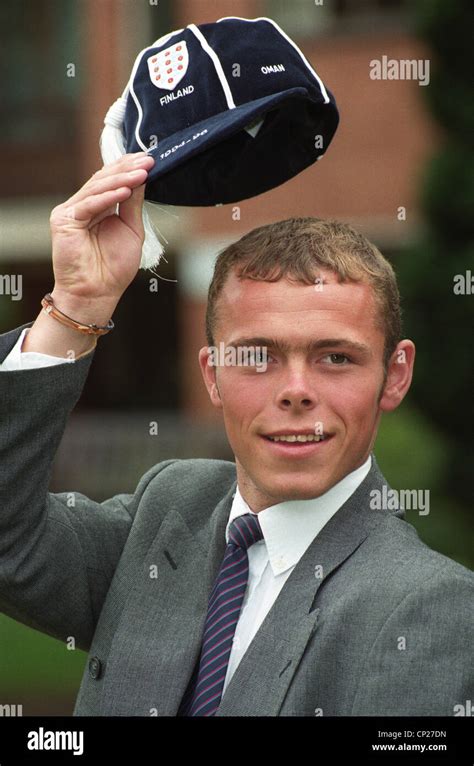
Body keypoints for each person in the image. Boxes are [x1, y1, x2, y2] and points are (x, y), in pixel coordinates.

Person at [0, 152, 472, 717]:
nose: (296, 391)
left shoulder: (430, 606)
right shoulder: (168, 513)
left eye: (336, 358)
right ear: (213, 374)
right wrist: (77, 304)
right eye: (258, 357)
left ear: (394, 376)